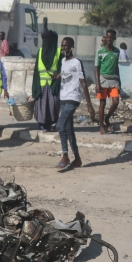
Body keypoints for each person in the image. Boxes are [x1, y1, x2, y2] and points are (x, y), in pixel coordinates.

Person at [56, 37, 95, 171]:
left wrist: (89, 104)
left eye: (66, 46)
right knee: (68, 129)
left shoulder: (77, 62)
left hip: (73, 98)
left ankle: (65, 155)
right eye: (62, 46)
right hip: (63, 96)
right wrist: (57, 77)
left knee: (60, 124)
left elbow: (83, 82)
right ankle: (77, 158)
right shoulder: (63, 61)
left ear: (72, 47)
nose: (64, 48)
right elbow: (65, 75)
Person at [33, 29, 61, 131]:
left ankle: (50, 123)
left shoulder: (58, 51)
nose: (45, 42)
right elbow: (36, 70)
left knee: (52, 105)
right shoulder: (40, 51)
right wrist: (35, 86)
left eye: (47, 39)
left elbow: (61, 67)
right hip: (41, 84)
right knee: (40, 104)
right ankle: (42, 124)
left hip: (53, 84)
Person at [95, 28, 121, 134]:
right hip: (103, 78)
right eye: (107, 37)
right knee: (102, 103)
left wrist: (119, 80)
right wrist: (97, 83)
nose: (109, 39)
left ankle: (107, 118)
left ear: (114, 38)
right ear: (105, 37)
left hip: (114, 79)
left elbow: (116, 66)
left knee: (116, 102)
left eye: (111, 37)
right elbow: (96, 67)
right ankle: (101, 126)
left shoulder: (117, 51)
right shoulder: (100, 52)